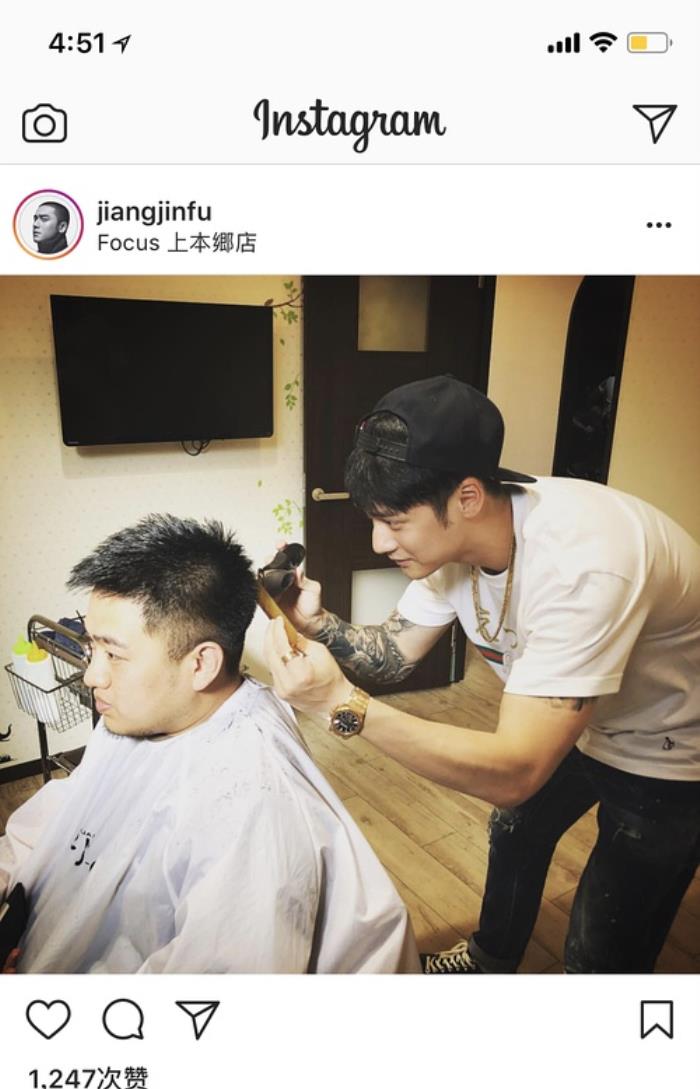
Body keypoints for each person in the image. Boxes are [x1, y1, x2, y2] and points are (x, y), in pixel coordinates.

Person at [265, 375, 700, 974]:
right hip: (581, 719)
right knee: (516, 830)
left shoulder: (583, 564)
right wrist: (317, 625)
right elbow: (393, 653)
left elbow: (516, 772)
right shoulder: (451, 548)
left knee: (602, 947)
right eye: (373, 520)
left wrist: (342, 704)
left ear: (467, 497)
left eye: (394, 521)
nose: (379, 542)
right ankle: (490, 961)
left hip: (669, 743)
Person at [0, 516, 418, 973]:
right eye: (91, 649)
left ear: (201, 665)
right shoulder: (137, 714)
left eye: (113, 654)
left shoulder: (252, 807)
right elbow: (70, 813)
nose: (92, 676)